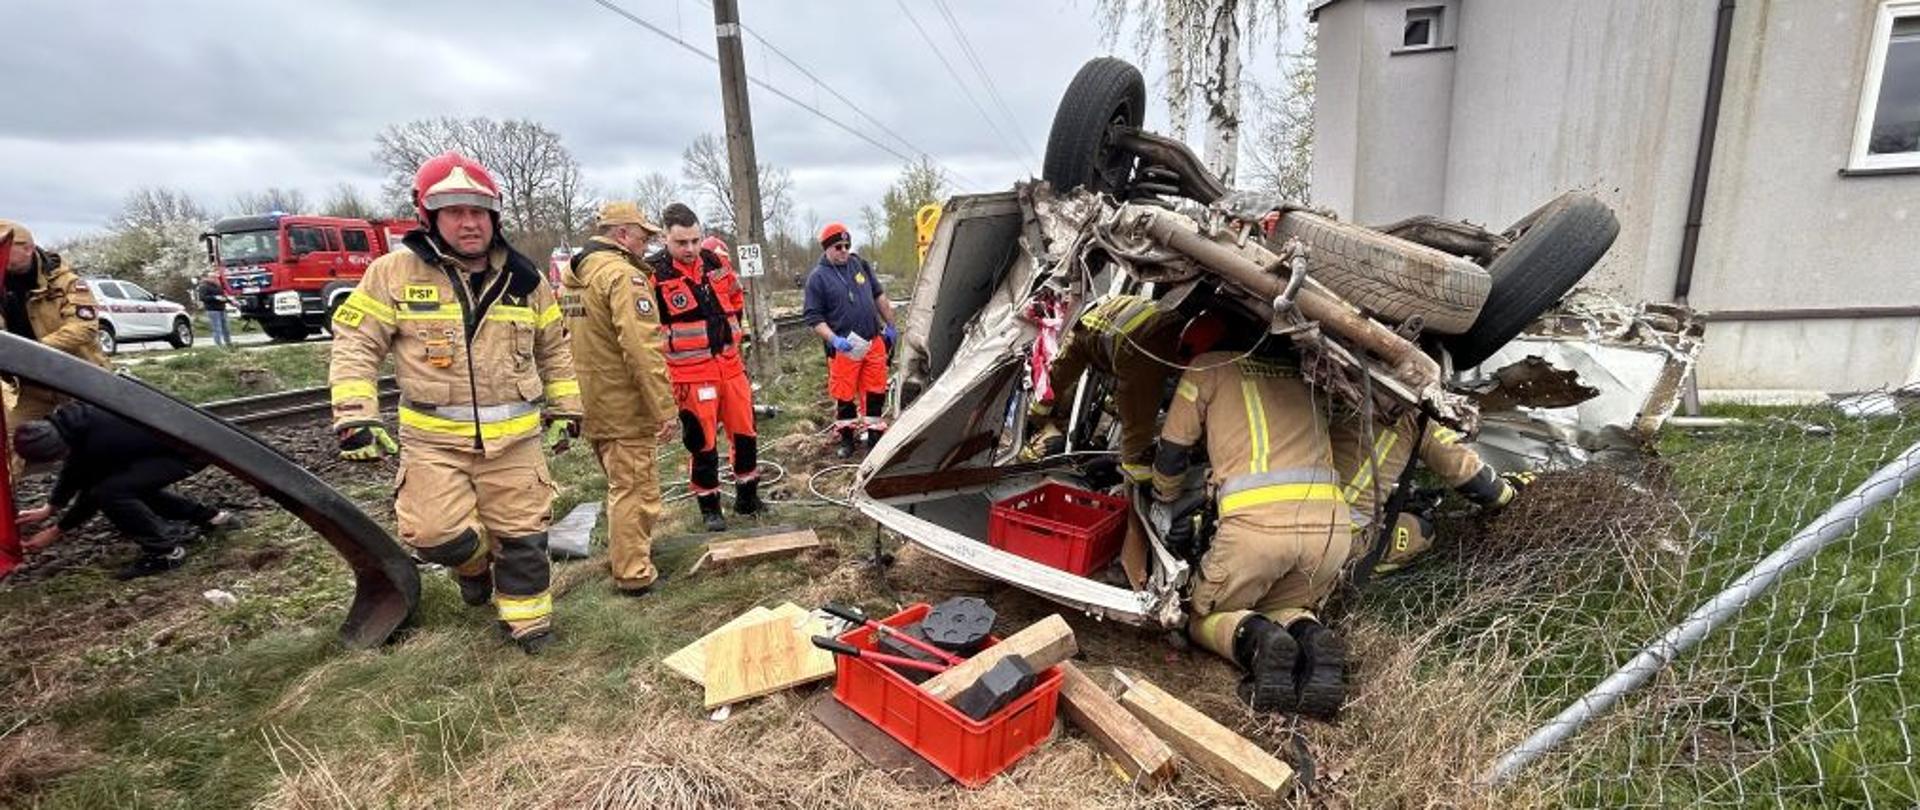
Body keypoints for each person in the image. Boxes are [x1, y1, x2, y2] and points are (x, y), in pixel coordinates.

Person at [327, 151, 583, 654]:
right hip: (433, 444)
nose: (469, 223)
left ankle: (529, 625)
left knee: (524, 538)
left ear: (494, 217)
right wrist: (355, 416)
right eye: (455, 212)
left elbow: (556, 350)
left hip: (515, 443)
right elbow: (356, 343)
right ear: (429, 217)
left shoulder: (525, 281)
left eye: (478, 212)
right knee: (433, 536)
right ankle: (470, 564)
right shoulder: (392, 274)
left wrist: (568, 410)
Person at [1151, 347, 1352, 718]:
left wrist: (1162, 495)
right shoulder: (1304, 366)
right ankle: (1311, 637)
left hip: (1256, 531)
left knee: (1200, 615)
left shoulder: (1206, 367)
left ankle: (1256, 643)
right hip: (1331, 533)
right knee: (1284, 606)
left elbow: (1172, 451)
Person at [559, 201, 677, 595]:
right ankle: (633, 574)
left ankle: (627, 557)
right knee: (636, 491)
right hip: (624, 405)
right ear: (622, 234)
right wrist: (664, 408)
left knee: (620, 486)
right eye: (642, 237)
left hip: (593, 401)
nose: (645, 245)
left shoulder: (578, 276)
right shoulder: (623, 277)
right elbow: (643, 349)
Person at [10, 403, 239, 579]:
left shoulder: (100, 442)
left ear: (61, 448)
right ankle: (212, 518)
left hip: (190, 450)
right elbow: (75, 468)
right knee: (127, 487)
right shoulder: (72, 421)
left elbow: (92, 494)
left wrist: (57, 530)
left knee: (112, 492)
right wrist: (51, 507)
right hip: (175, 440)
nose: (60, 461)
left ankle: (166, 553)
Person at [1022, 294, 1223, 485]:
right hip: (1098, 340)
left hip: (1094, 320)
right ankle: (1034, 427)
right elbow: (1138, 410)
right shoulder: (1151, 356)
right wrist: (1138, 463)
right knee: (1057, 388)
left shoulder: (1172, 320)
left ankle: (1035, 418)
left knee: (1055, 383)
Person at [646, 203, 761, 532]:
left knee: (746, 432)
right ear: (665, 237)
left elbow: (736, 300)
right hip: (690, 374)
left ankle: (747, 497)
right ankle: (710, 506)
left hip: (729, 365)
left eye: (695, 240)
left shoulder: (716, 263)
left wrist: (734, 338)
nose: (691, 249)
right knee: (702, 442)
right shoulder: (653, 274)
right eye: (682, 243)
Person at [1330, 411, 1533, 575]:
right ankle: (1347, 574)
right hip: (1332, 542)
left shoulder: (1343, 387)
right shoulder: (1412, 414)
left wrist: (1395, 494)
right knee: (1421, 532)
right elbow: (1478, 482)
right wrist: (1511, 492)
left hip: (1304, 506)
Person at [2, 219, 108, 475]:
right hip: (28, 387)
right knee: (9, 446)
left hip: (78, 379)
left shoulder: (66, 283)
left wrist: (31, 351)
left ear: (27, 248)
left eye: (5, 250)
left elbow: (84, 327)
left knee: (103, 447)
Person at [802, 223, 897, 458]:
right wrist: (833, 339)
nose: (844, 250)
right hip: (845, 347)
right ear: (827, 249)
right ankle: (847, 440)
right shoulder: (818, 278)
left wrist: (891, 326)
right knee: (844, 395)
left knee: (875, 390)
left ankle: (874, 436)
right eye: (838, 247)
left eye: (847, 245)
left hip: (872, 341)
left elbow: (878, 295)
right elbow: (813, 317)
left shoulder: (859, 265)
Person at [197, 271, 232, 347]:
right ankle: (219, 345)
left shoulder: (218, 286)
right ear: (208, 278)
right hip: (212, 310)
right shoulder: (204, 286)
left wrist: (227, 299)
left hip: (222, 308)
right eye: (213, 277)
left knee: (226, 328)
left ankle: (228, 343)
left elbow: (223, 295)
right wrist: (214, 297)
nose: (215, 279)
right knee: (217, 328)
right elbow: (202, 297)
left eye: (216, 277)